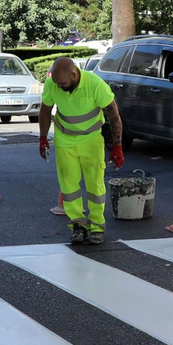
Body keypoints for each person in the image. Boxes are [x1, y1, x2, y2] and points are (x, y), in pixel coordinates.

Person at [37, 57, 125, 245]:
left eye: (63, 83)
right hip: (65, 139)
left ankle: (96, 227)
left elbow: (114, 116)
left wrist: (117, 146)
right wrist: (43, 137)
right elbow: (45, 109)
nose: (59, 87)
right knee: (68, 185)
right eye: (56, 83)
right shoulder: (53, 84)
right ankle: (77, 225)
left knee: (95, 185)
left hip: (92, 139)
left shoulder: (95, 85)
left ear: (74, 74)